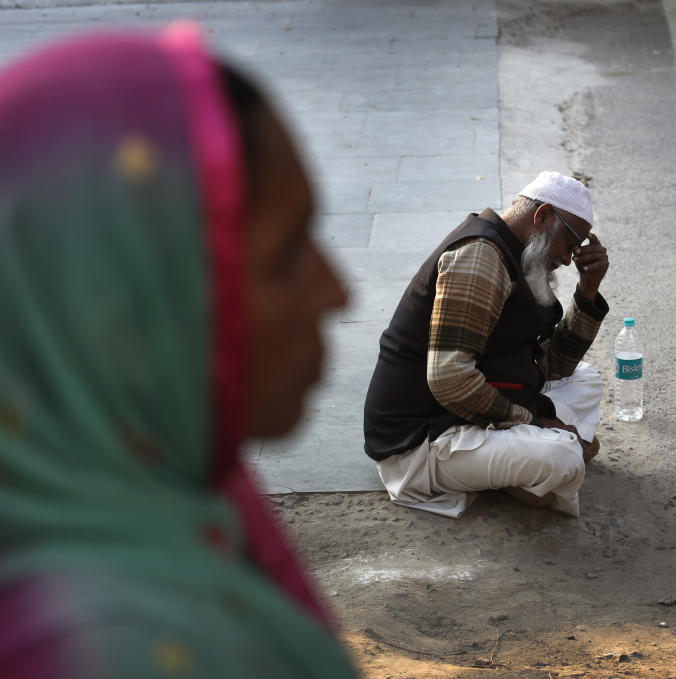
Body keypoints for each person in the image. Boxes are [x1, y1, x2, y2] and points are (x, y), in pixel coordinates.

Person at [0, 25, 356, 678]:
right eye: (285, 257)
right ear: (123, 323)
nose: (338, 293)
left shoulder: (189, 496)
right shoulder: (106, 649)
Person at [364, 171, 610, 518]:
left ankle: (514, 467)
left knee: (585, 380)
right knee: (564, 456)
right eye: (569, 246)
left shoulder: (517, 254)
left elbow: (554, 367)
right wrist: (534, 421)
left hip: (472, 407)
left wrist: (588, 290)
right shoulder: (478, 257)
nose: (569, 260)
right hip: (423, 441)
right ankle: (516, 469)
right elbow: (450, 379)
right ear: (543, 217)